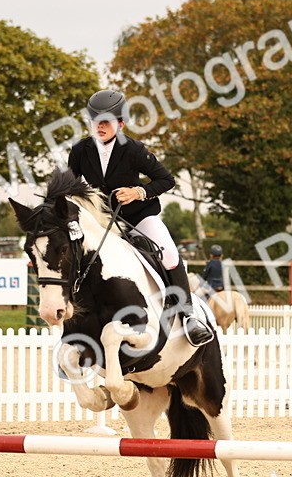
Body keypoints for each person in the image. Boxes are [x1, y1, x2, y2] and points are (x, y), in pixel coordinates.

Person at [66, 89, 213, 346]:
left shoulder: (134, 150)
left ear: (120, 124)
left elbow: (167, 180)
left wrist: (138, 191)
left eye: (106, 122)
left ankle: (188, 316)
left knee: (168, 251)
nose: (99, 127)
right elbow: (69, 184)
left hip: (138, 217)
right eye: (95, 121)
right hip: (102, 220)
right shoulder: (80, 151)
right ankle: (73, 323)